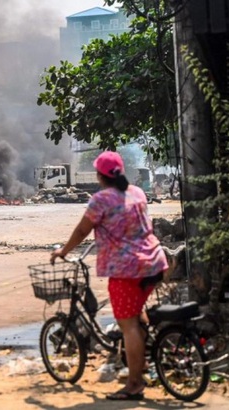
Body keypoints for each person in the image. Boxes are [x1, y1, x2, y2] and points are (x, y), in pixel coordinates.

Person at [50, 151, 168, 401]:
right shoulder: (137, 192)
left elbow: (83, 230)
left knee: (129, 326)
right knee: (138, 314)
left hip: (128, 270)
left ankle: (135, 384)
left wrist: (63, 251)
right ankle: (142, 364)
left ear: (100, 176)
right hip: (155, 262)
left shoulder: (101, 200)